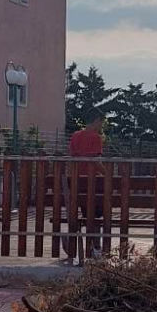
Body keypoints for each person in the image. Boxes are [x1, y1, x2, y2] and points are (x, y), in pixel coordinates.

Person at [64, 108, 106, 262]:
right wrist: (108, 175)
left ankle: (87, 246)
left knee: (86, 214)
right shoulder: (96, 137)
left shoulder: (75, 136)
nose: (101, 126)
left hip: (77, 183)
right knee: (96, 216)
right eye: (101, 122)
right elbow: (96, 162)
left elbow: (72, 157)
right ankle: (96, 247)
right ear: (96, 121)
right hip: (93, 184)